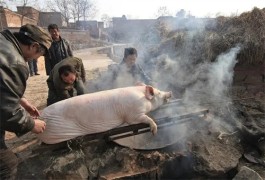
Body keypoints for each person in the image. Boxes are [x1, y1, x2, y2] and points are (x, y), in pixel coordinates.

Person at [0, 24, 52, 179]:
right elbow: (6, 112)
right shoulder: (14, 62)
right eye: (39, 55)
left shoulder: (4, 41)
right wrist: (31, 124)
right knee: (7, 166)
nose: (36, 59)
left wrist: (23, 101)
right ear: (34, 46)